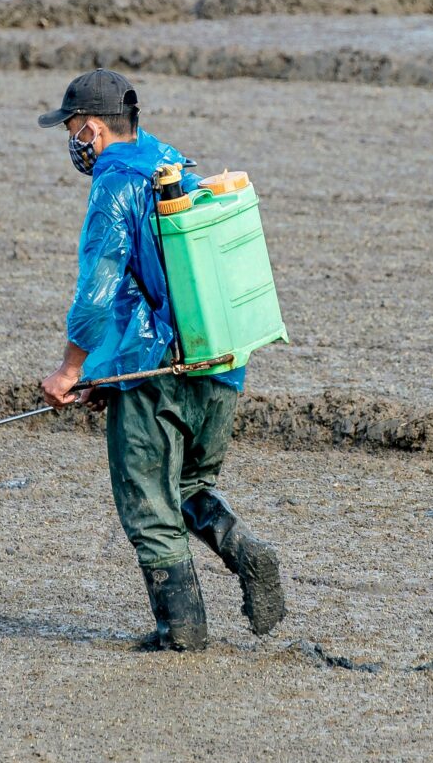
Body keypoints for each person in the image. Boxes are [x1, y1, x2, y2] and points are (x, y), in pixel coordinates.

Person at [37, 68, 285, 652]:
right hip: (222, 361)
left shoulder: (113, 182)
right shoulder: (174, 166)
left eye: (71, 129)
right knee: (191, 483)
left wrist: (71, 371)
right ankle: (247, 552)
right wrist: (106, 375)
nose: (71, 140)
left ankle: (183, 633)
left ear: (92, 131)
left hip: (159, 372)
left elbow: (98, 293)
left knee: (146, 499)